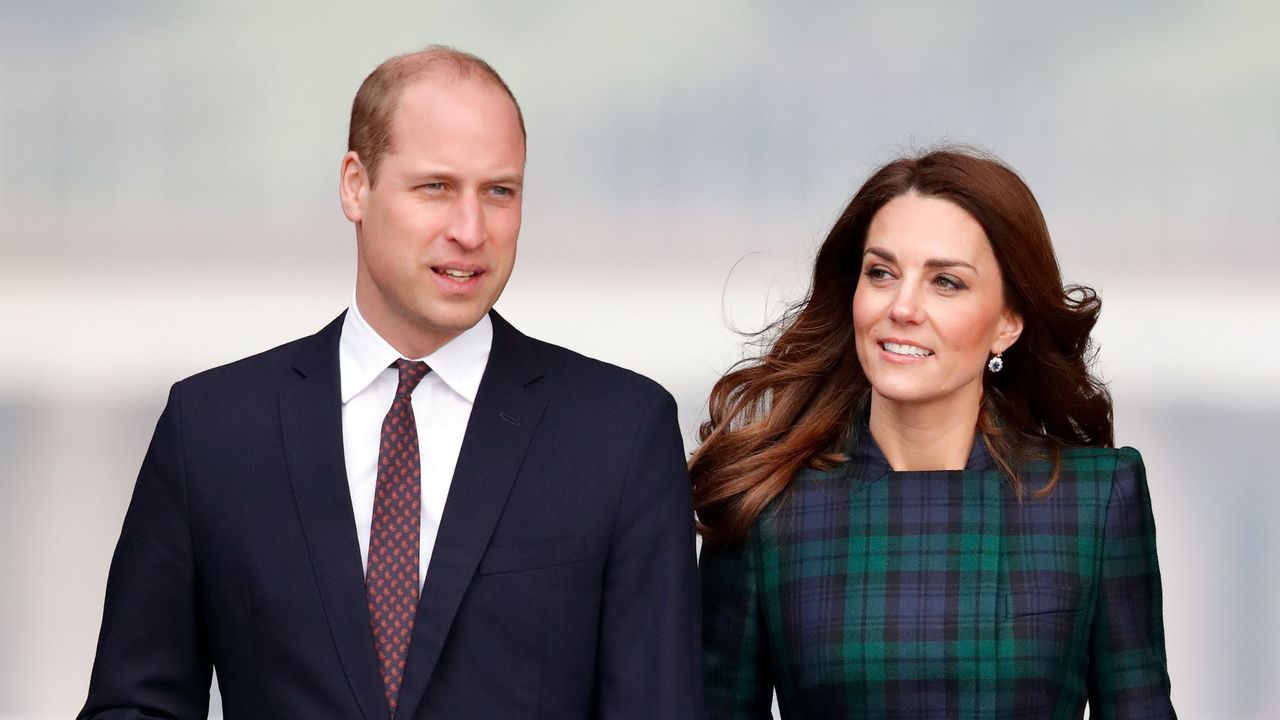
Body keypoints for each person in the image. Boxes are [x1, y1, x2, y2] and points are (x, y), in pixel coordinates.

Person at [80, 46, 701, 719]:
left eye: (500, 192)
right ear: (356, 185)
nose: (470, 230)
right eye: (435, 187)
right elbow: (134, 704)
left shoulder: (620, 433)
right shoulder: (214, 429)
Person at [694, 148, 1175, 719]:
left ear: (1007, 322)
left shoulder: (1094, 498)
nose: (902, 306)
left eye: (945, 281)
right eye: (881, 273)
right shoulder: (767, 502)